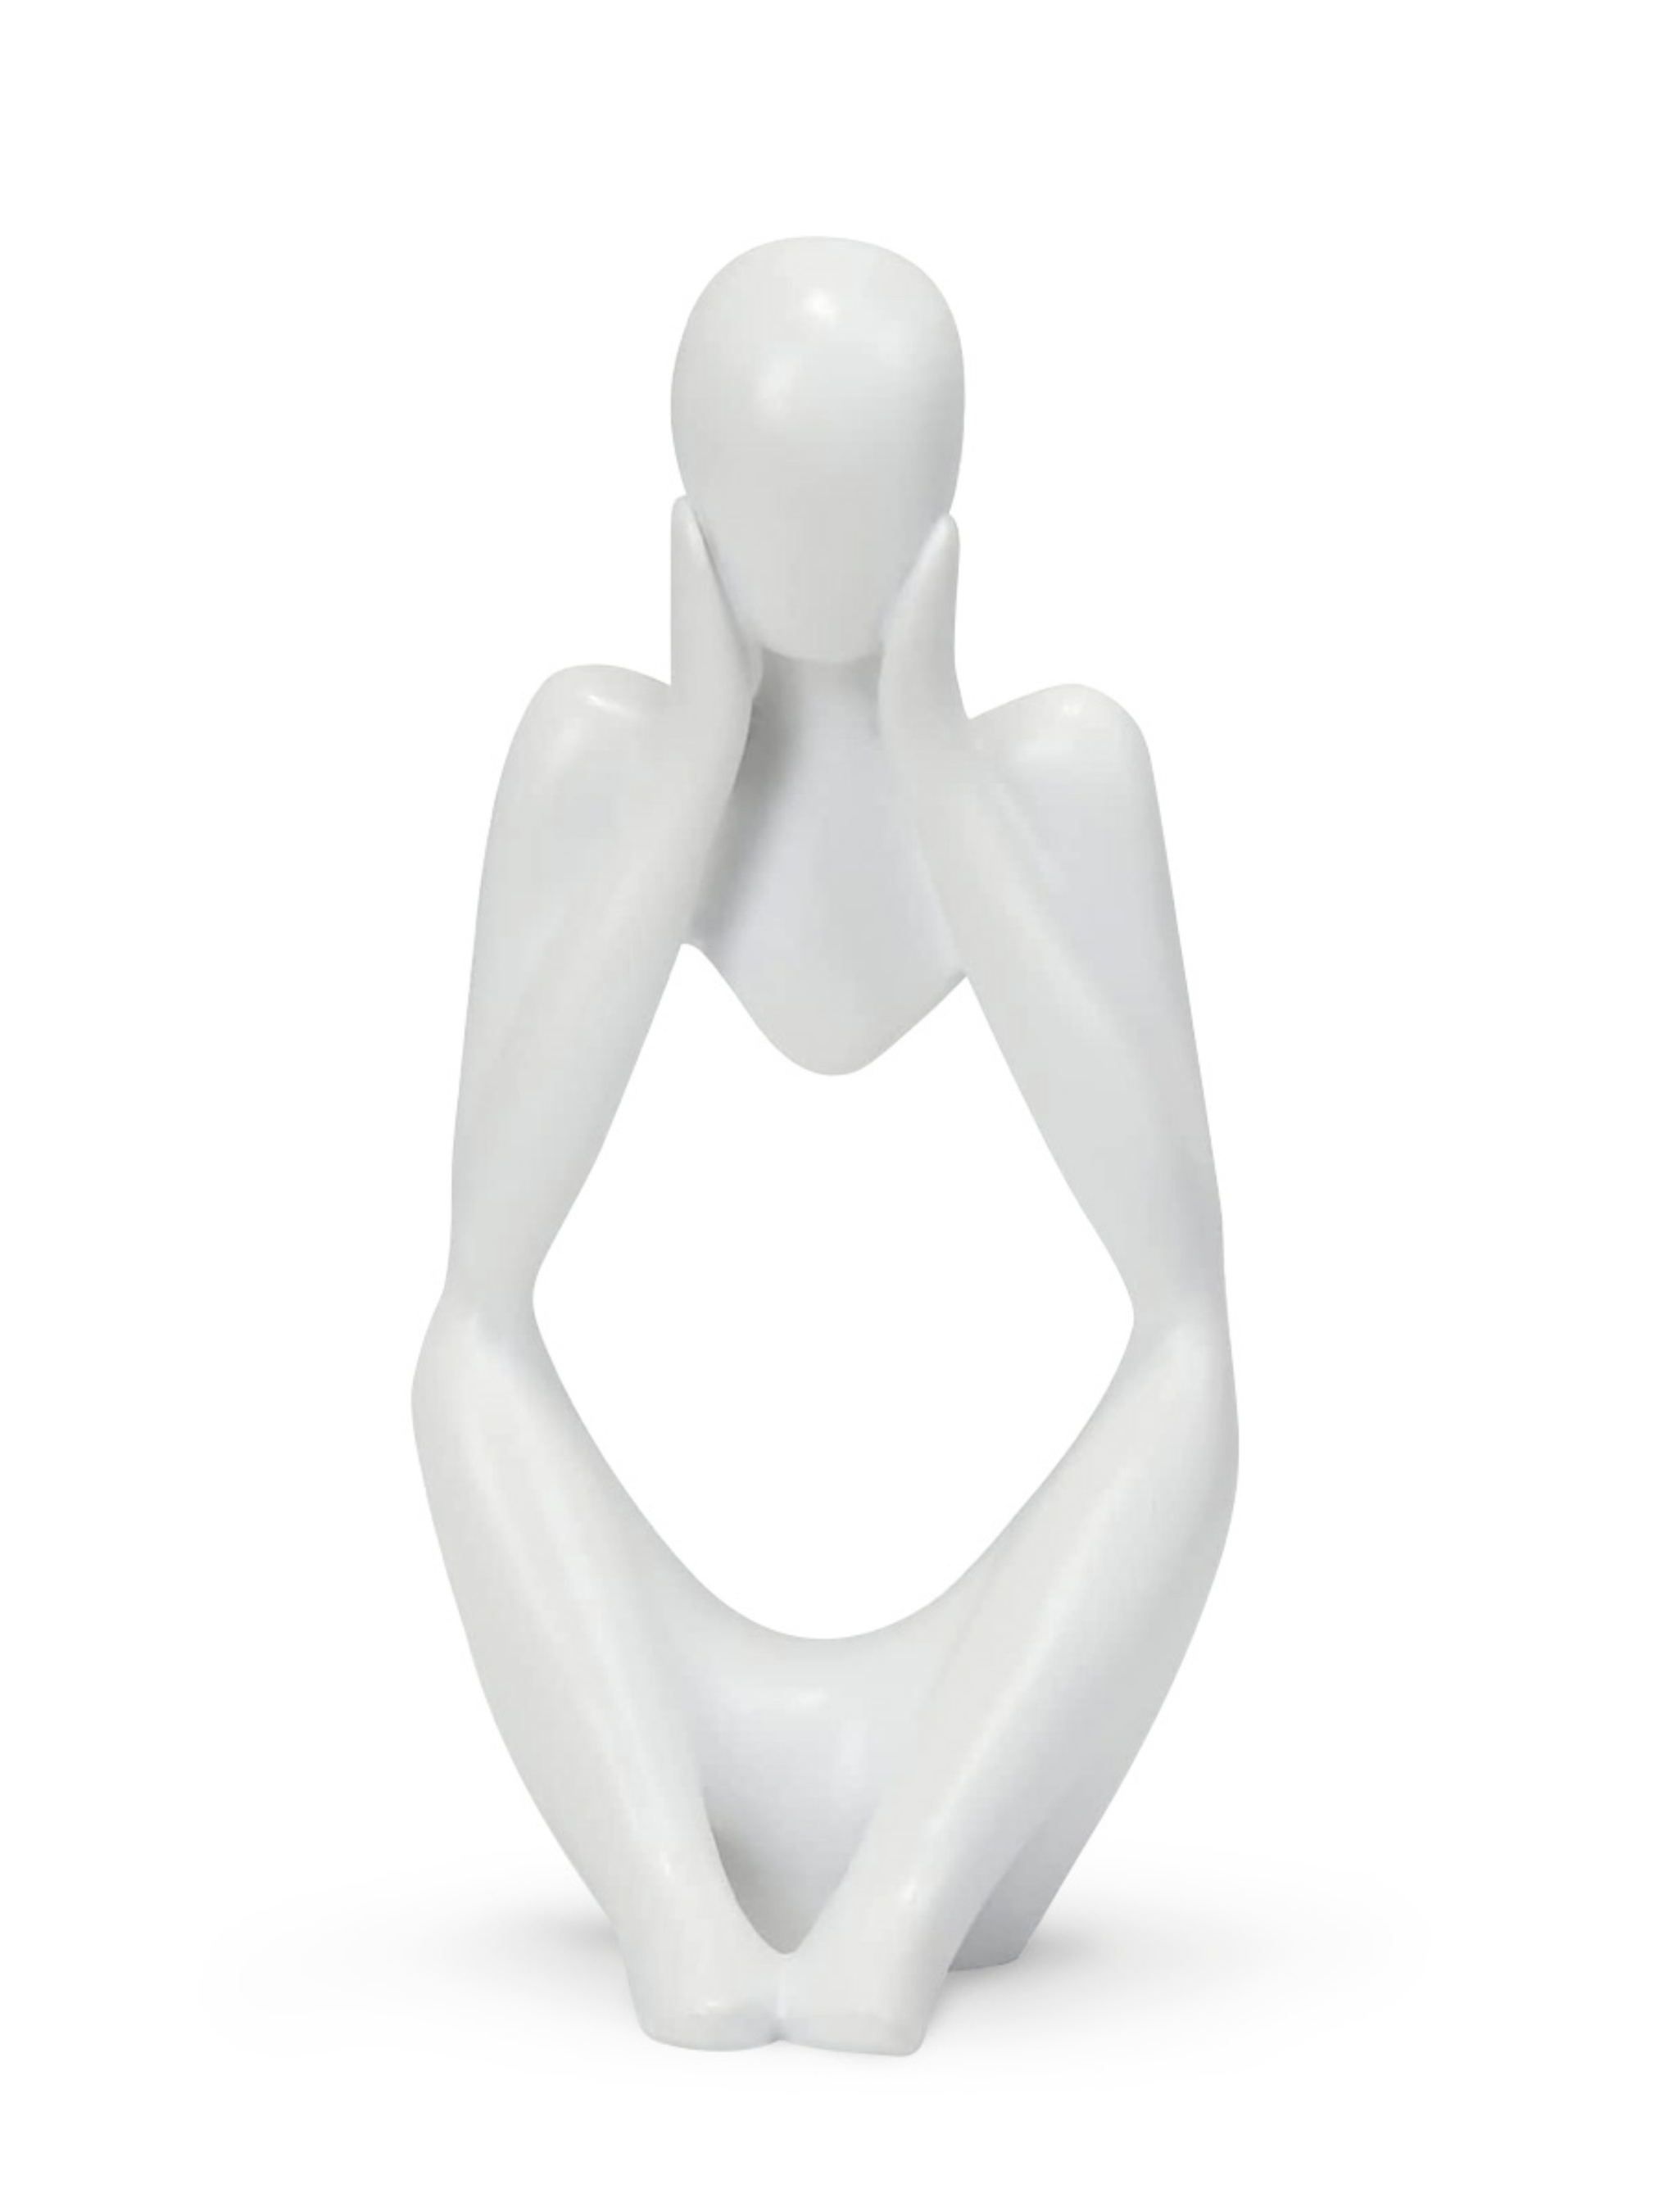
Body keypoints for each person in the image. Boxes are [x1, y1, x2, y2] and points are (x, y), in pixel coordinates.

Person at [413, 238, 1236, 2053]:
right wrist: (695, 759)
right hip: (660, 1717)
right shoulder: (592, 757)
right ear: (694, 501)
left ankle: (899, 1907)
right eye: (774, 483)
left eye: (867, 485)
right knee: (456, 1358)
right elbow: (492, 1252)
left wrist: (936, 761)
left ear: (943, 496)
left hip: (995, 1726)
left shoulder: (1063, 775)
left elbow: (1170, 1265)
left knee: (1194, 1377)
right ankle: (672, 1905)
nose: (821, 535)